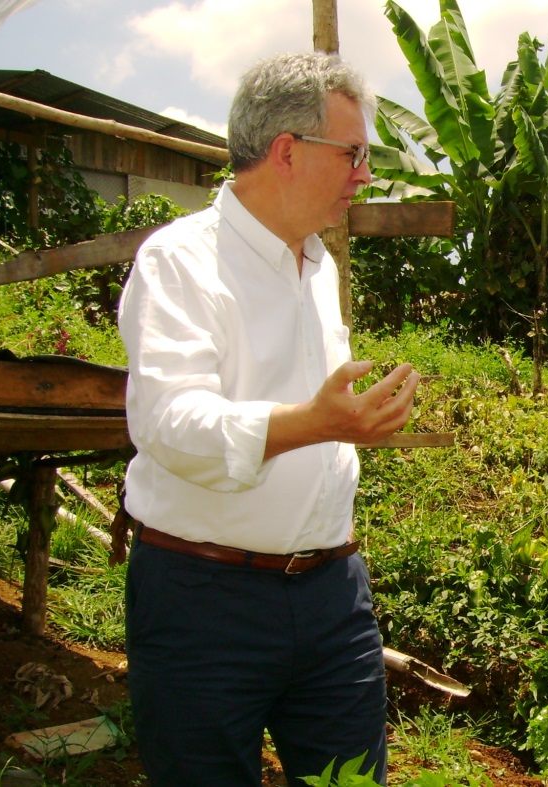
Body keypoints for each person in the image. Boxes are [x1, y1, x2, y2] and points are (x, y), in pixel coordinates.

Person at [117, 52, 418, 786]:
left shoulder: (317, 267)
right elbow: (171, 423)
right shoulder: (180, 263)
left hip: (331, 597)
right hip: (201, 600)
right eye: (353, 153)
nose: (364, 174)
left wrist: (339, 423)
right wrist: (317, 422)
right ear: (286, 150)